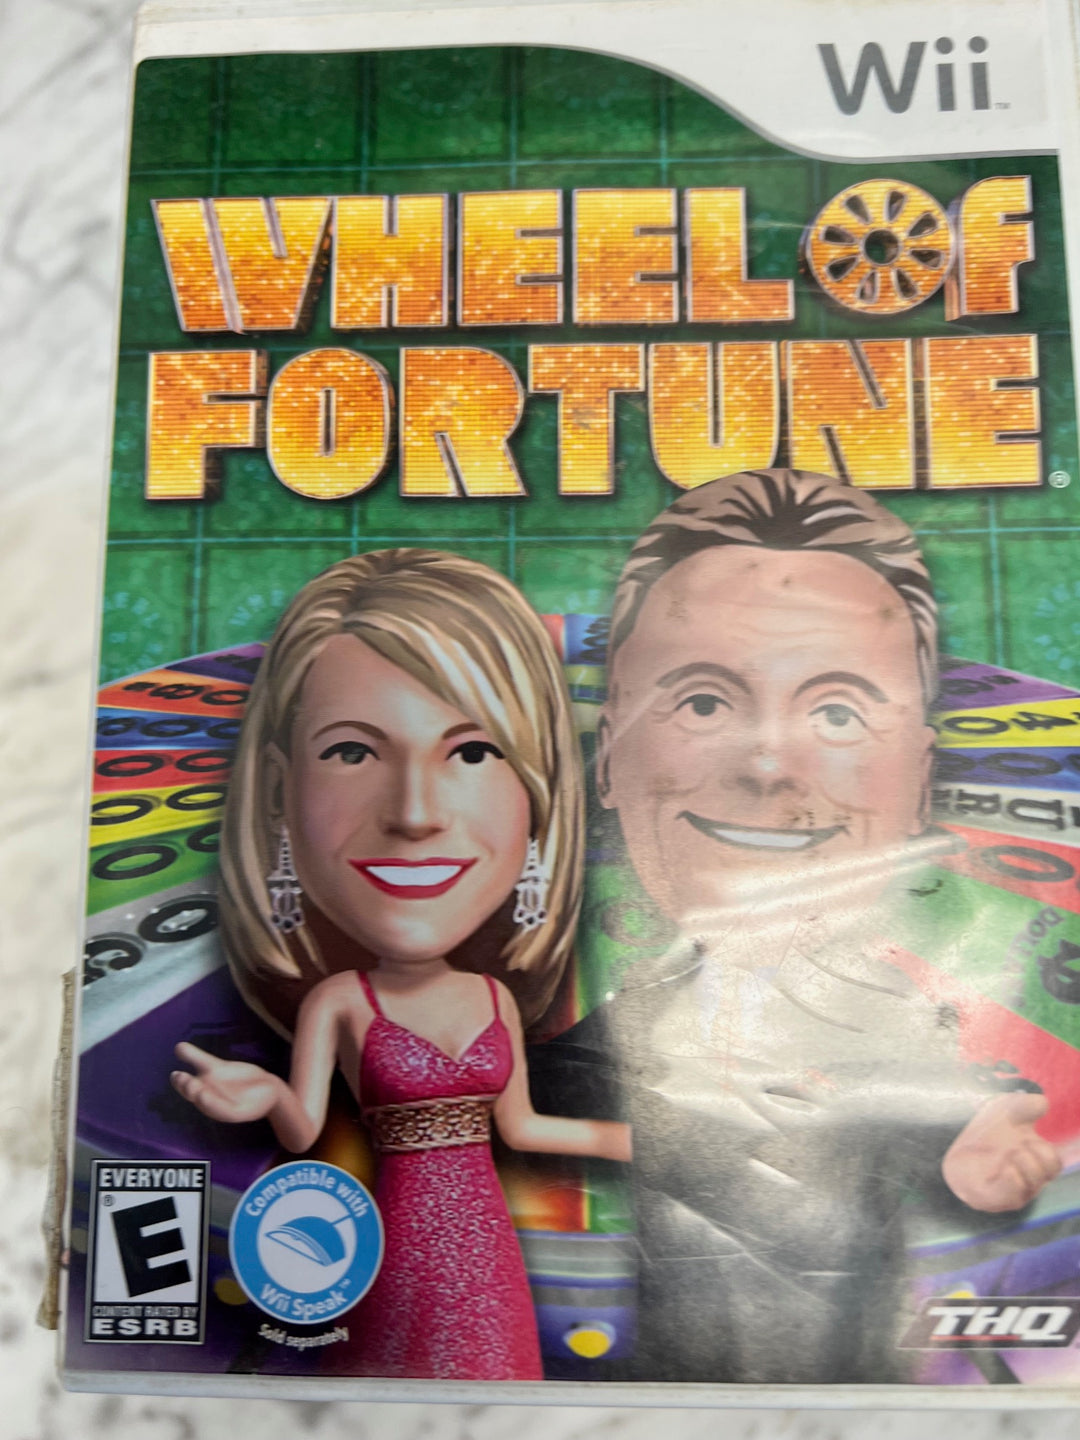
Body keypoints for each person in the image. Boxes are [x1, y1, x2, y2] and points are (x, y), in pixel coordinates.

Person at [531, 469, 1062, 1384]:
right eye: (703, 701)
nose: (770, 763)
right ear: (610, 753)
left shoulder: (906, 1029)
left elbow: (942, 1099)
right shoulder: (603, 1038)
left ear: (919, 778)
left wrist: (977, 1142)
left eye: (838, 711)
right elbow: (569, 1087)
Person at [171, 549, 630, 1383]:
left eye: (474, 752)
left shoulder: (492, 998)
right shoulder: (340, 1001)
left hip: (486, 1249)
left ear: (539, 793)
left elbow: (523, 1129)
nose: (415, 814)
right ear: (277, 793)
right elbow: (303, 1129)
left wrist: (658, 1140)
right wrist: (263, 1095)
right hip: (394, 1243)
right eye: (353, 752)